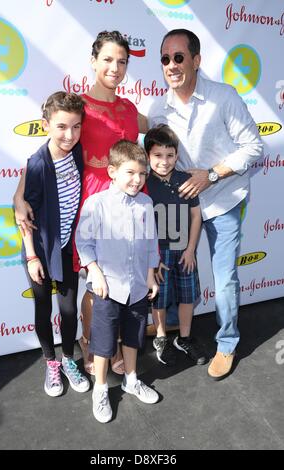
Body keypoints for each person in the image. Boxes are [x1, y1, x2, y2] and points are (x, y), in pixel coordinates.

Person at [13, 31, 148, 376]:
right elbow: (45, 155)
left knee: (120, 275)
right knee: (94, 281)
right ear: (93, 61)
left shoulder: (130, 108)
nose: (115, 68)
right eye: (107, 59)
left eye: (121, 61)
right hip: (88, 207)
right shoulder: (78, 108)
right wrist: (18, 195)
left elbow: (148, 133)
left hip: (127, 206)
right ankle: (91, 344)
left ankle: (114, 344)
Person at [149, 29, 263, 380]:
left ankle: (226, 343)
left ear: (196, 60)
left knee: (225, 277)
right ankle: (169, 334)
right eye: (165, 58)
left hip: (224, 200)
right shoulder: (157, 109)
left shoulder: (223, 97)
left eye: (179, 57)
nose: (171, 64)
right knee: (172, 270)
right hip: (181, 208)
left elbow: (255, 147)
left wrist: (211, 175)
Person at [75, 140, 160, 423]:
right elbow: (83, 242)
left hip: (137, 287)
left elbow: (150, 243)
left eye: (142, 174)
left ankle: (131, 380)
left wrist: (150, 276)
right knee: (103, 341)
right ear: (112, 170)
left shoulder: (146, 203)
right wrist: (95, 272)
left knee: (134, 336)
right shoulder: (95, 203)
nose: (137, 180)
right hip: (107, 288)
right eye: (130, 173)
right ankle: (100, 389)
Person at [18, 91, 90, 397]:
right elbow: (25, 219)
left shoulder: (77, 151)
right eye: (61, 127)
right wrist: (33, 257)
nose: (69, 134)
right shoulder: (38, 164)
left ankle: (69, 359)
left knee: (69, 309)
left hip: (67, 249)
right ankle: (51, 364)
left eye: (75, 127)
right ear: (46, 125)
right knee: (43, 307)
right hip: (41, 251)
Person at [144, 124, 206, 367]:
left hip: (185, 253)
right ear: (148, 156)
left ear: (177, 155)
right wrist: (153, 260)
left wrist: (191, 249)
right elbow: (142, 226)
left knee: (187, 296)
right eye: (158, 155)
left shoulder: (186, 180)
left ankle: (185, 338)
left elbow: (196, 216)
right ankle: (161, 339)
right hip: (158, 257)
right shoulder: (145, 185)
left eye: (170, 155)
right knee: (158, 299)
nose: (164, 161)